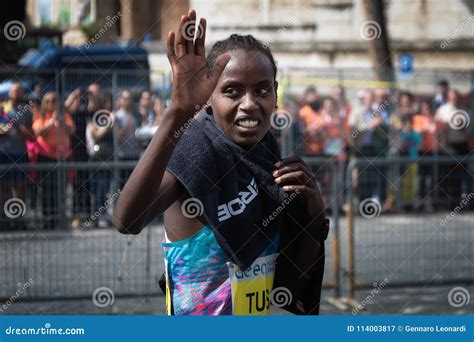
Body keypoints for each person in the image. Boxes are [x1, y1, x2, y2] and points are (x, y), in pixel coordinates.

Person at [115, 10, 327, 316]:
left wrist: (315, 218)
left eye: (262, 90)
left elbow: (289, 294)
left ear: (276, 95)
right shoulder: (194, 153)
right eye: (232, 91)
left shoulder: (271, 161)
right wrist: (178, 110)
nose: (250, 103)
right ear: (208, 97)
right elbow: (127, 220)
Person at [33, 91, 75, 229]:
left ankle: (59, 219)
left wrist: (62, 122)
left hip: (61, 159)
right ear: (45, 103)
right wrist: (51, 123)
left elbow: (72, 130)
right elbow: (38, 132)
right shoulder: (41, 116)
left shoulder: (64, 116)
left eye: (54, 101)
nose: (51, 103)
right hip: (45, 159)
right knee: (46, 191)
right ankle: (47, 220)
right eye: (49, 101)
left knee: (61, 190)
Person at [0, 82, 34, 230]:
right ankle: (4, 219)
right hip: (4, 153)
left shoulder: (26, 111)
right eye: (14, 91)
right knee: (4, 188)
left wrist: (22, 130)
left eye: (19, 91)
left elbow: (31, 134)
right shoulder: (3, 109)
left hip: (20, 153)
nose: (17, 94)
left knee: (19, 188)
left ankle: (18, 219)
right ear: (10, 93)